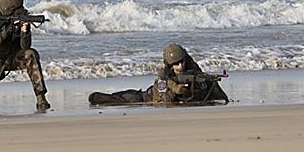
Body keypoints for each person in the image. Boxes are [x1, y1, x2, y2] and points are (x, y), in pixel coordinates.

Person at [88, 43, 228, 106]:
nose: (181, 66)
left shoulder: (195, 74)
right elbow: (162, 102)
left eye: (182, 61)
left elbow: (214, 93)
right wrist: (175, 90)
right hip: (147, 97)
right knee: (125, 99)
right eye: (176, 63)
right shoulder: (164, 79)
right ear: (169, 65)